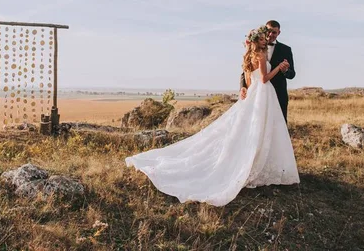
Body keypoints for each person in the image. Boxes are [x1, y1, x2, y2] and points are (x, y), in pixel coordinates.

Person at [125, 26, 299, 207]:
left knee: (255, 129)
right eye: (263, 36)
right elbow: (262, 79)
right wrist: (278, 67)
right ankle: (255, 165)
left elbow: (251, 79)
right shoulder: (261, 55)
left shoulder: (249, 56)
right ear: (258, 40)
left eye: (269, 35)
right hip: (262, 94)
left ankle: (259, 162)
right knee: (258, 129)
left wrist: (251, 85)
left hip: (258, 95)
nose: (266, 38)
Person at [240, 20, 295, 123]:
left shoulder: (286, 50)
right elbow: (246, 71)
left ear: (279, 33)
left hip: (278, 95)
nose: (270, 34)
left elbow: (292, 74)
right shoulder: (254, 50)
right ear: (264, 30)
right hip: (257, 94)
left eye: (274, 32)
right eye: (268, 31)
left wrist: (285, 70)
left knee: (278, 126)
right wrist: (243, 87)